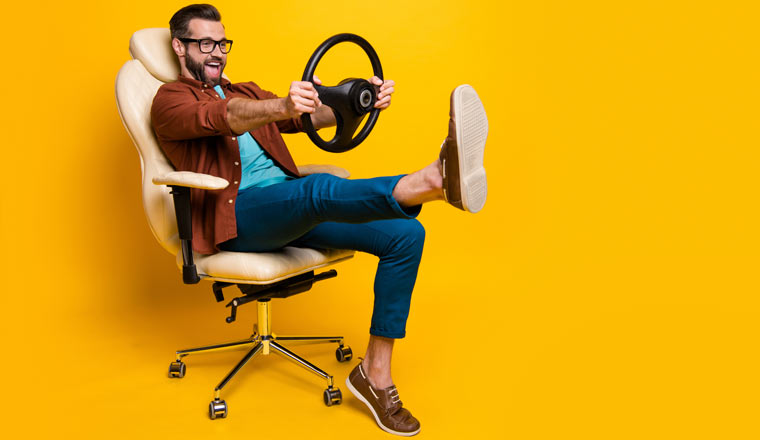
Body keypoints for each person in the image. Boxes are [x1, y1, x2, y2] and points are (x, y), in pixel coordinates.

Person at [151, 4, 488, 436]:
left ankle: (374, 375)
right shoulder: (170, 99)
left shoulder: (247, 89)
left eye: (221, 43)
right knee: (315, 189)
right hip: (239, 219)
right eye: (204, 43)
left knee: (406, 234)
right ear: (180, 46)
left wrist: (358, 100)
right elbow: (226, 117)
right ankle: (431, 180)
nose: (216, 52)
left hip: (288, 210)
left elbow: (305, 117)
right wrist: (279, 104)